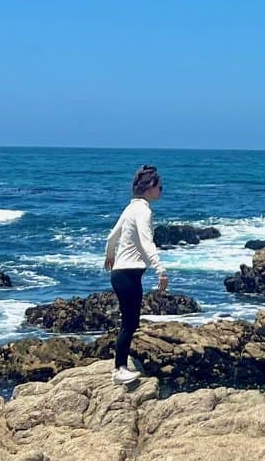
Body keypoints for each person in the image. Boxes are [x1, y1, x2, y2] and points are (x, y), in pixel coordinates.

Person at [103, 164, 168, 384]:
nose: (161, 191)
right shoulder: (143, 211)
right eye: (160, 187)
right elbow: (146, 241)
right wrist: (161, 270)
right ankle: (119, 369)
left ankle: (120, 366)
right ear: (150, 187)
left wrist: (110, 256)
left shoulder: (131, 208)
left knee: (129, 322)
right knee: (130, 323)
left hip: (121, 274)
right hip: (128, 275)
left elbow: (111, 237)